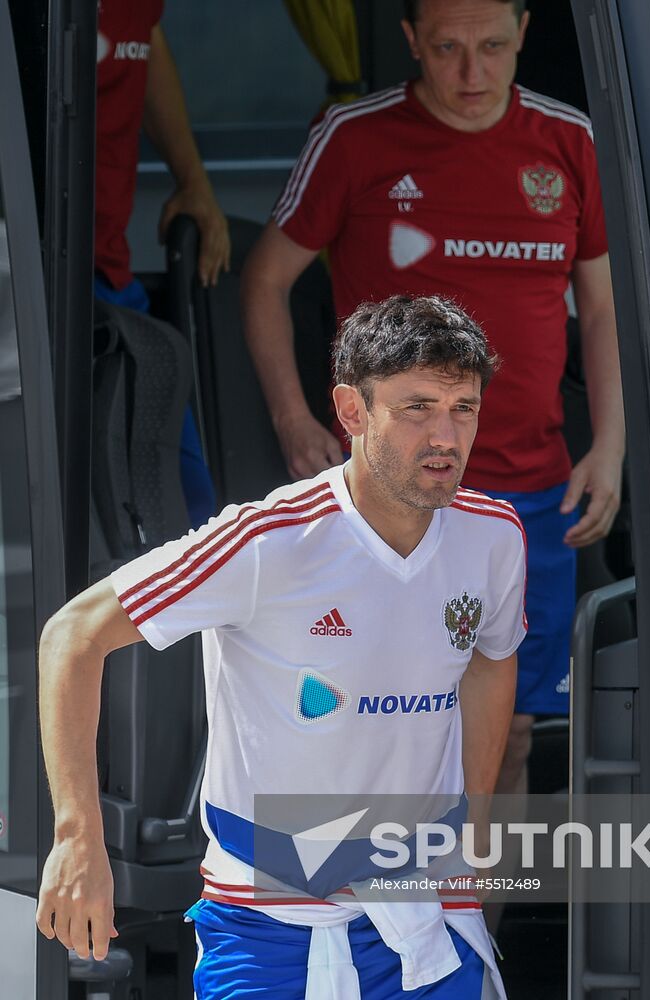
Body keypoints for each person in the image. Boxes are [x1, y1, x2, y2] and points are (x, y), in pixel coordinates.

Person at [36, 294, 525, 998]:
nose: (445, 436)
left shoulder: (493, 537)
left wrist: (474, 826)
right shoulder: (268, 541)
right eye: (416, 408)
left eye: (463, 408)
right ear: (352, 412)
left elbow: (489, 660)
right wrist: (78, 837)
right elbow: (72, 635)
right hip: (268, 928)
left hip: (422, 913)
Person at [241, 0, 624, 800]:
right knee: (373, 728)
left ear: (525, 31)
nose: (471, 73)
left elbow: (604, 308)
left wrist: (611, 442)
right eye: (448, 48)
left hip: (527, 496)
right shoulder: (356, 138)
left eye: (491, 46)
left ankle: (468, 926)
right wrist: (291, 418)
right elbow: (266, 279)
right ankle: (366, 922)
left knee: (505, 738)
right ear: (412, 40)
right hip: (390, 501)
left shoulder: (570, 141)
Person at [95, 1, 230, 525]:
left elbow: (144, 40)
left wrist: (191, 178)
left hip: (108, 272)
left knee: (186, 502)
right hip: (31, 283)